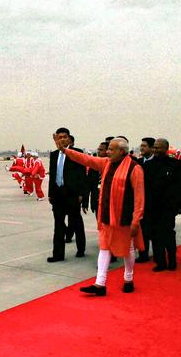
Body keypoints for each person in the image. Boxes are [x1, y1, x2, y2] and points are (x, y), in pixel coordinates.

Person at [57, 137, 145, 296]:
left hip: (124, 217)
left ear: (122, 151)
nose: (108, 152)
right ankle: (100, 284)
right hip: (106, 216)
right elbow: (86, 159)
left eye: (111, 149)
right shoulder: (106, 163)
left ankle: (128, 278)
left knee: (128, 248)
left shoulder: (135, 168)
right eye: (108, 149)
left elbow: (139, 198)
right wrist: (65, 151)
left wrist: (136, 220)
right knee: (104, 247)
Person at [47, 127, 87, 262]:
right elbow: (52, 175)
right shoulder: (53, 155)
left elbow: (82, 175)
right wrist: (50, 194)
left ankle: (81, 248)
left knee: (76, 222)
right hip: (57, 195)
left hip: (72, 195)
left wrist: (82, 193)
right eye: (59, 137)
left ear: (69, 138)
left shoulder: (77, 153)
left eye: (64, 137)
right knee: (58, 224)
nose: (62, 139)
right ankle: (58, 254)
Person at [148, 138, 181, 272]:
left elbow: (180, 186)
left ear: (166, 148)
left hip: (168, 207)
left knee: (168, 234)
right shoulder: (149, 165)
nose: (156, 150)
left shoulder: (175, 164)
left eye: (159, 147)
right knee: (156, 236)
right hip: (153, 207)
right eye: (155, 147)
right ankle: (160, 262)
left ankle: (172, 261)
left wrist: (180, 205)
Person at [136, 137, 155, 263]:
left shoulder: (157, 163)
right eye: (141, 145)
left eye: (144, 146)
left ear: (152, 148)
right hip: (139, 201)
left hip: (153, 202)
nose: (141, 148)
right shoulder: (138, 163)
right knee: (141, 230)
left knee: (153, 229)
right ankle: (143, 253)